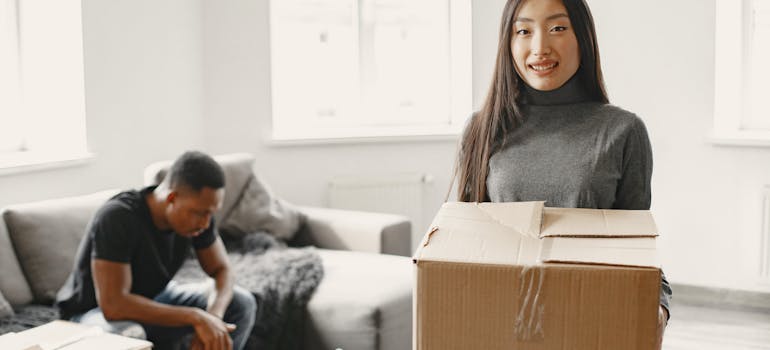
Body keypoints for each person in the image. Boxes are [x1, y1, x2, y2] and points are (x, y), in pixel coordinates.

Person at [453, 0, 672, 347]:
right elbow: (462, 244)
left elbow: (638, 251)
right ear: (508, 43)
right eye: (523, 31)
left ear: (582, 36)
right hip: (503, 323)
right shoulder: (483, 128)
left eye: (557, 28)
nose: (539, 47)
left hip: (593, 320)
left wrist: (658, 308)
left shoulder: (623, 130)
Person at [55, 151, 256, 350]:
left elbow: (222, 270)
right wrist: (195, 316)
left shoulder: (200, 217)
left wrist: (214, 318)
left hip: (155, 298)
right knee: (128, 333)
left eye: (211, 213)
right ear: (171, 198)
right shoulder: (117, 217)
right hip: (91, 314)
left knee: (241, 303)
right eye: (199, 213)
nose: (205, 223)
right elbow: (113, 305)